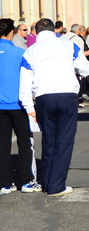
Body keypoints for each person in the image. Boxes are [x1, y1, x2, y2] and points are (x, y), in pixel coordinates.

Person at [19, 18, 89, 197]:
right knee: (65, 141)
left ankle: (47, 182)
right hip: (67, 95)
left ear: (36, 32)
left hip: (43, 98)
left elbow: (24, 83)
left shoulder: (30, 51)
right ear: (54, 30)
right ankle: (57, 185)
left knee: (48, 140)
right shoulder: (67, 45)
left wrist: (29, 107)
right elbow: (86, 68)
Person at [0, 19, 39, 194]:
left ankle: (5, 183)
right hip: (18, 104)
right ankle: (26, 181)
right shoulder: (19, 53)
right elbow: (28, 78)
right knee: (25, 143)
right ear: (12, 33)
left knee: (2, 144)